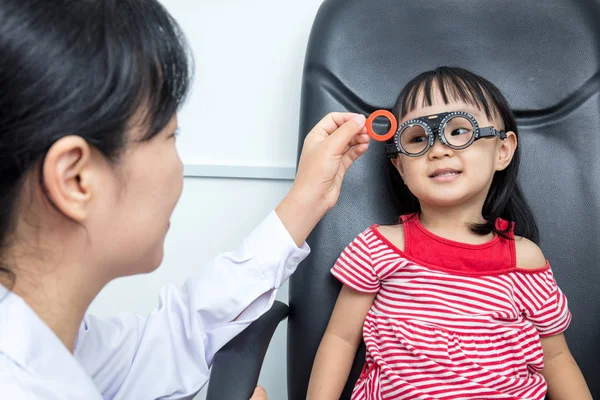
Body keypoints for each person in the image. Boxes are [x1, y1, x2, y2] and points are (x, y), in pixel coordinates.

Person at [0, 1, 370, 399]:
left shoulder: (54, 343)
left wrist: (306, 199)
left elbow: (178, 335)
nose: (177, 167)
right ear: (76, 179)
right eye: (168, 136)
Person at [307, 67, 592, 399]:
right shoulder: (380, 248)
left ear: (502, 151)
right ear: (400, 166)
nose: (438, 148)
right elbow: (341, 339)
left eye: (460, 131)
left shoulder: (525, 259)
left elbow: (556, 358)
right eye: (417, 138)